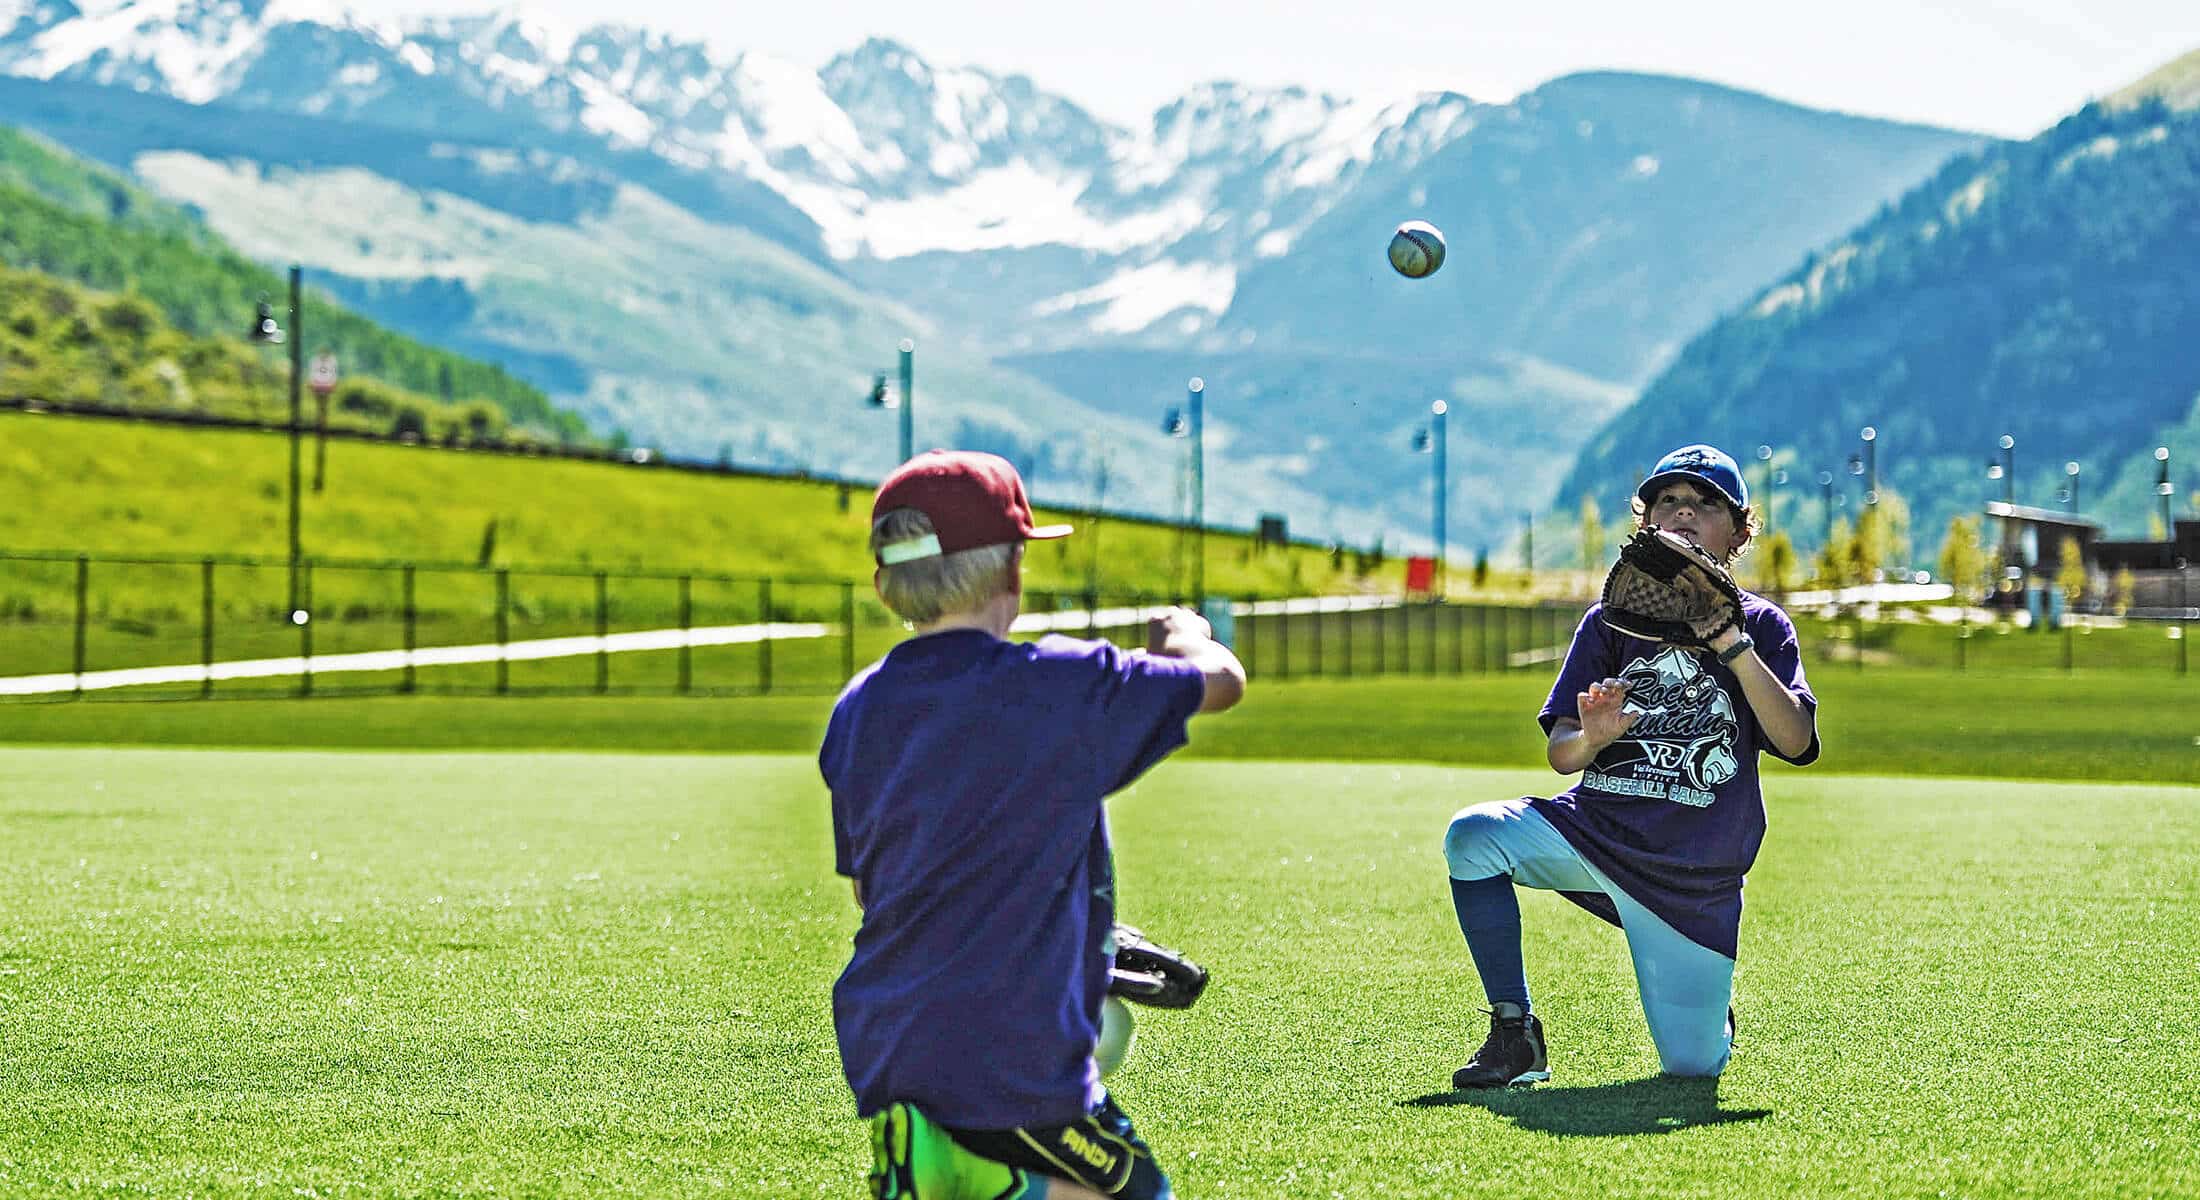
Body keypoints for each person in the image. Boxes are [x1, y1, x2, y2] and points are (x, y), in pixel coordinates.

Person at [821, 449, 1246, 1199]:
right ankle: (969, 1177)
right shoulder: (1061, 685)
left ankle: (951, 1164)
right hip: (1009, 1055)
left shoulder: (859, 706)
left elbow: (874, 890)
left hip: (886, 1040)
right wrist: (1183, 634)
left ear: (887, 584)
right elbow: (1222, 683)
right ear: (1014, 570)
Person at [1441, 443, 1820, 1087]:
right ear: (1645, 522)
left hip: (1692, 874)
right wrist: (1590, 737)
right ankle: (1514, 1031)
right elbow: (1560, 754)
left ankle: (1699, 989)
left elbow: (1795, 741)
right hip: (1597, 835)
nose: (1683, 514)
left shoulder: (1762, 624)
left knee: (1693, 1067)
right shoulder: (1608, 623)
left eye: (1704, 503)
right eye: (1667, 500)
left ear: (1738, 529)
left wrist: (1731, 642)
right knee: (1473, 837)